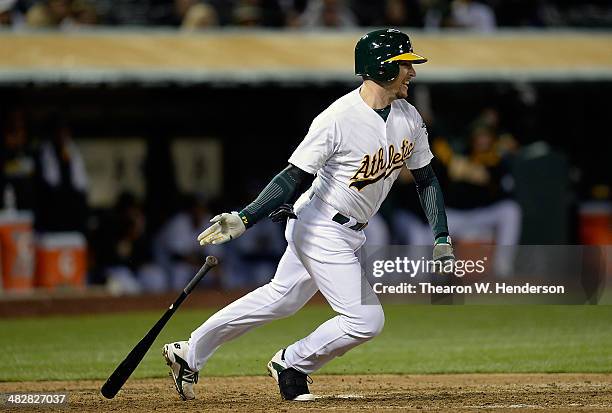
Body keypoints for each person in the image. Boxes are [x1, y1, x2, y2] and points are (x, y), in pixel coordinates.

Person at [162, 28, 455, 402]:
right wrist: (246, 217)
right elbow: (293, 175)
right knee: (366, 320)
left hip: (349, 229)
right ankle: (292, 362)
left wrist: (442, 236)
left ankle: (190, 351)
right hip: (321, 226)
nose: (411, 73)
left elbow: (426, 179)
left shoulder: (408, 117)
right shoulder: (337, 118)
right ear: (382, 69)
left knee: (281, 299)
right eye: (404, 65)